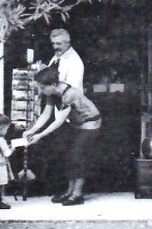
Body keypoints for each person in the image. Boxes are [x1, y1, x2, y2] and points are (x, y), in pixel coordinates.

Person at [24, 66, 101, 206]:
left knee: (77, 156)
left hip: (90, 124)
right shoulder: (52, 93)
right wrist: (32, 130)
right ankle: (70, 191)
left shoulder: (69, 94)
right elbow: (46, 114)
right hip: (77, 124)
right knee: (69, 156)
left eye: (42, 87)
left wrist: (39, 135)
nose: (41, 91)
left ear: (53, 85)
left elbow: (59, 120)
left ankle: (77, 194)